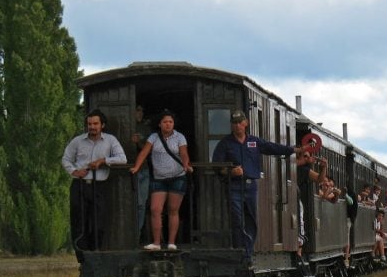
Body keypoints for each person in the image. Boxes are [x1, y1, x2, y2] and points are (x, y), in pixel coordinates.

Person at [211, 110, 307, 263]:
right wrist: (230, 171)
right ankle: (240, 250)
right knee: (236, 218)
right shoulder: (225, 143)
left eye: (240, 122)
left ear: (246, 123)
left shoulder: (254, 142)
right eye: (234, 123)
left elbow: (273, 148)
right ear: (231, 125)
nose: (237, 126)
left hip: (250, 187)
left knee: (251, 220)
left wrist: (297, 150)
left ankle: (246, 253)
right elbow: (216, 165)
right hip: (234, 185)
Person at [62, 109, 127, 262]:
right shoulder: (77, 141)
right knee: (79, 222)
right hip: (80, 185)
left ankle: (95, 254)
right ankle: (83, 258)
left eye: (95, 124)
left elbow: (122, 158)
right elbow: (66, 159)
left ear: (102, 125)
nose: (92, 127)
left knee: (98, 223)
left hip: (99, 186)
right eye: (90, 124)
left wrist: (103, 161)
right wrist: (74, 172)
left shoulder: (110, 140)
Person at [130, 110, 193, 251]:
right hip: (159, 179)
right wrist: (136, 167)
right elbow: (144, 152)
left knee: (173, 210)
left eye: (170, 122)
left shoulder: (179, 137)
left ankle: (171, 242)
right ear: (159, 124)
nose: (168, 124)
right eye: (165, 122)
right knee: (155, 209)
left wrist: (186, 164)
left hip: (177, 177)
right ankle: (156, 243)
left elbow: (183, 153)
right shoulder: (153, 137)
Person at [131, 105, 151, 239]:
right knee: (134, 203)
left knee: (142, 204)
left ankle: (137, 233)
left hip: (144, 169)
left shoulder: (146, 129)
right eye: (137, 110)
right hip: (128, 169)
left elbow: (149, 149)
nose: (140, 113)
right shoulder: (125, 124)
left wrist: (138, 143)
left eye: (141, 110)